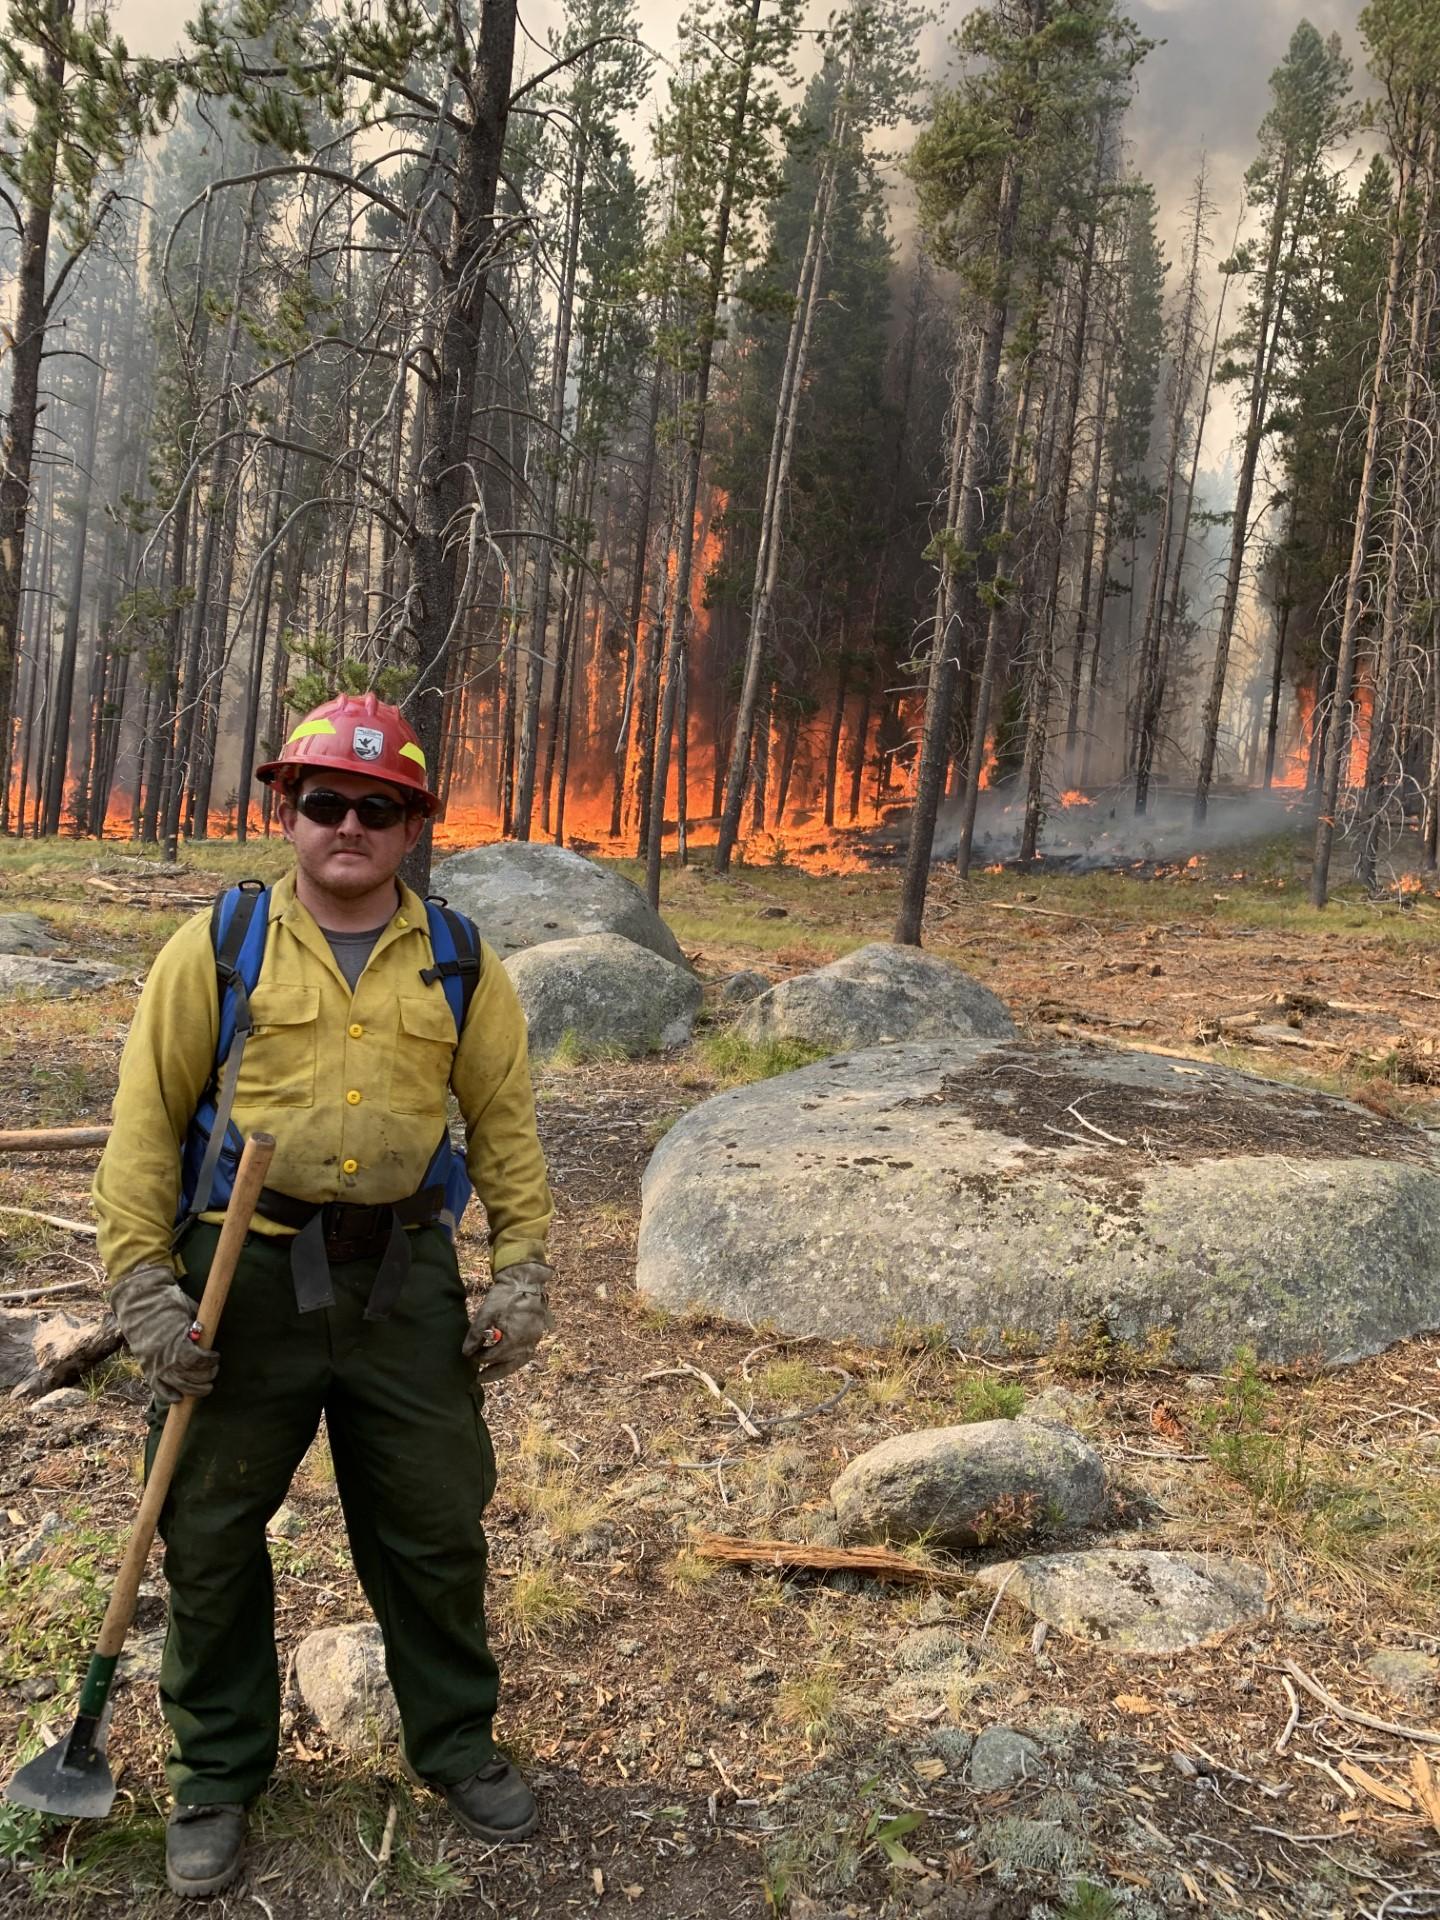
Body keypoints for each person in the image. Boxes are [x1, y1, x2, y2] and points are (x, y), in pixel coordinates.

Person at [93, 690, 554, 1900]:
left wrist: (524, 1272)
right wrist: (145, 1292)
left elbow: (505, 1126)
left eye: (379, 807)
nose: (350, 824)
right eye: (326, 802)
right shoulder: (219, 946)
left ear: (412, 829)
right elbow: (143, 1126)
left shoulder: (460, 960)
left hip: (404, 1288)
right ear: (284, 810)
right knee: (207, 1530)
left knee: (436, 1526)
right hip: (238, 1283)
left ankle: (455, 1743)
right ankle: (217, 1777)